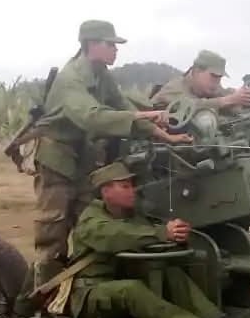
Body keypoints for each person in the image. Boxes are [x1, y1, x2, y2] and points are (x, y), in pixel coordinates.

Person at [28, 19, 190, 290]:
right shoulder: (71, 79)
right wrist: (145, 115)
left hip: (84, 162)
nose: (116, 50)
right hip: (57, 162)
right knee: (52, 233)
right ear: (92, 44)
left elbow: (123, 108)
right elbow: (94, 117)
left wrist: (166, 136)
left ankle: (84, 292)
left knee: (91, 227)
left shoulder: (102, 75)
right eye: (111, 45)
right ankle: (45, 304)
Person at [53, 161, 250, 318]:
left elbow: (149, 233)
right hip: (88, 295)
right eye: (125, 186)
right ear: (106, 191)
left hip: (113, 285)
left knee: (171, 271)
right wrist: (161, 233)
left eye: (132, 185)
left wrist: (177, 234)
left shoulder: (131, 216)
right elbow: (116, 236)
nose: (133, 191)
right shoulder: (90, 220)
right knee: (131, 289)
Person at [149, 50, 250, 115]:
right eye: (213, 76)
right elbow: (189, 105)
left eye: (219, 77)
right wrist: (227, 100)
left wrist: (246, 96)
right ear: (197, 71)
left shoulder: (209, 88)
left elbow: (225, 94)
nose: (217, 82)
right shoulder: (173, 88)